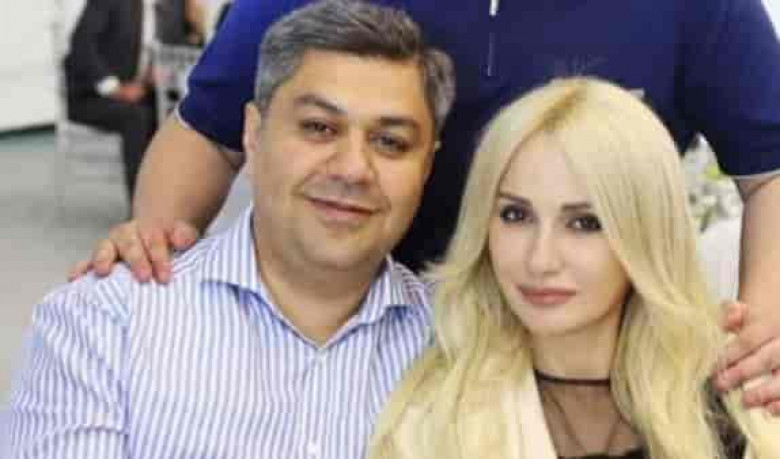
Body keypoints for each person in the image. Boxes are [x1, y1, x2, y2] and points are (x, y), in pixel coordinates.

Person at [71, 0, 780, 411]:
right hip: (381, 340)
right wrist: (157, 263)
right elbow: (208, 130)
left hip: (603, 358)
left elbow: (772, 166)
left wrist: (762, 326)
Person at [2, 2, 455, 457]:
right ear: (253, 134)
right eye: (318, 127)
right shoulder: (105, 326)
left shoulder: (456, 349)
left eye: (390, 142)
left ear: (427, 165)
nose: (353, 169)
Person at [368, 77, 780, 459]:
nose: (540, 260)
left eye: (584, 223)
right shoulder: (429, 423)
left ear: (644, 232)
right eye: (515, 215)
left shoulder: (741, 407)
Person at [64, 0, 157, 201]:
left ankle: (169, 201)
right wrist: (114, 88)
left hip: (138, 92)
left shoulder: (167, 7)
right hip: (90, 95)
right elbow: (81, 44)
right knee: (136, 117)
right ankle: (140, 207)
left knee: (175, 113)